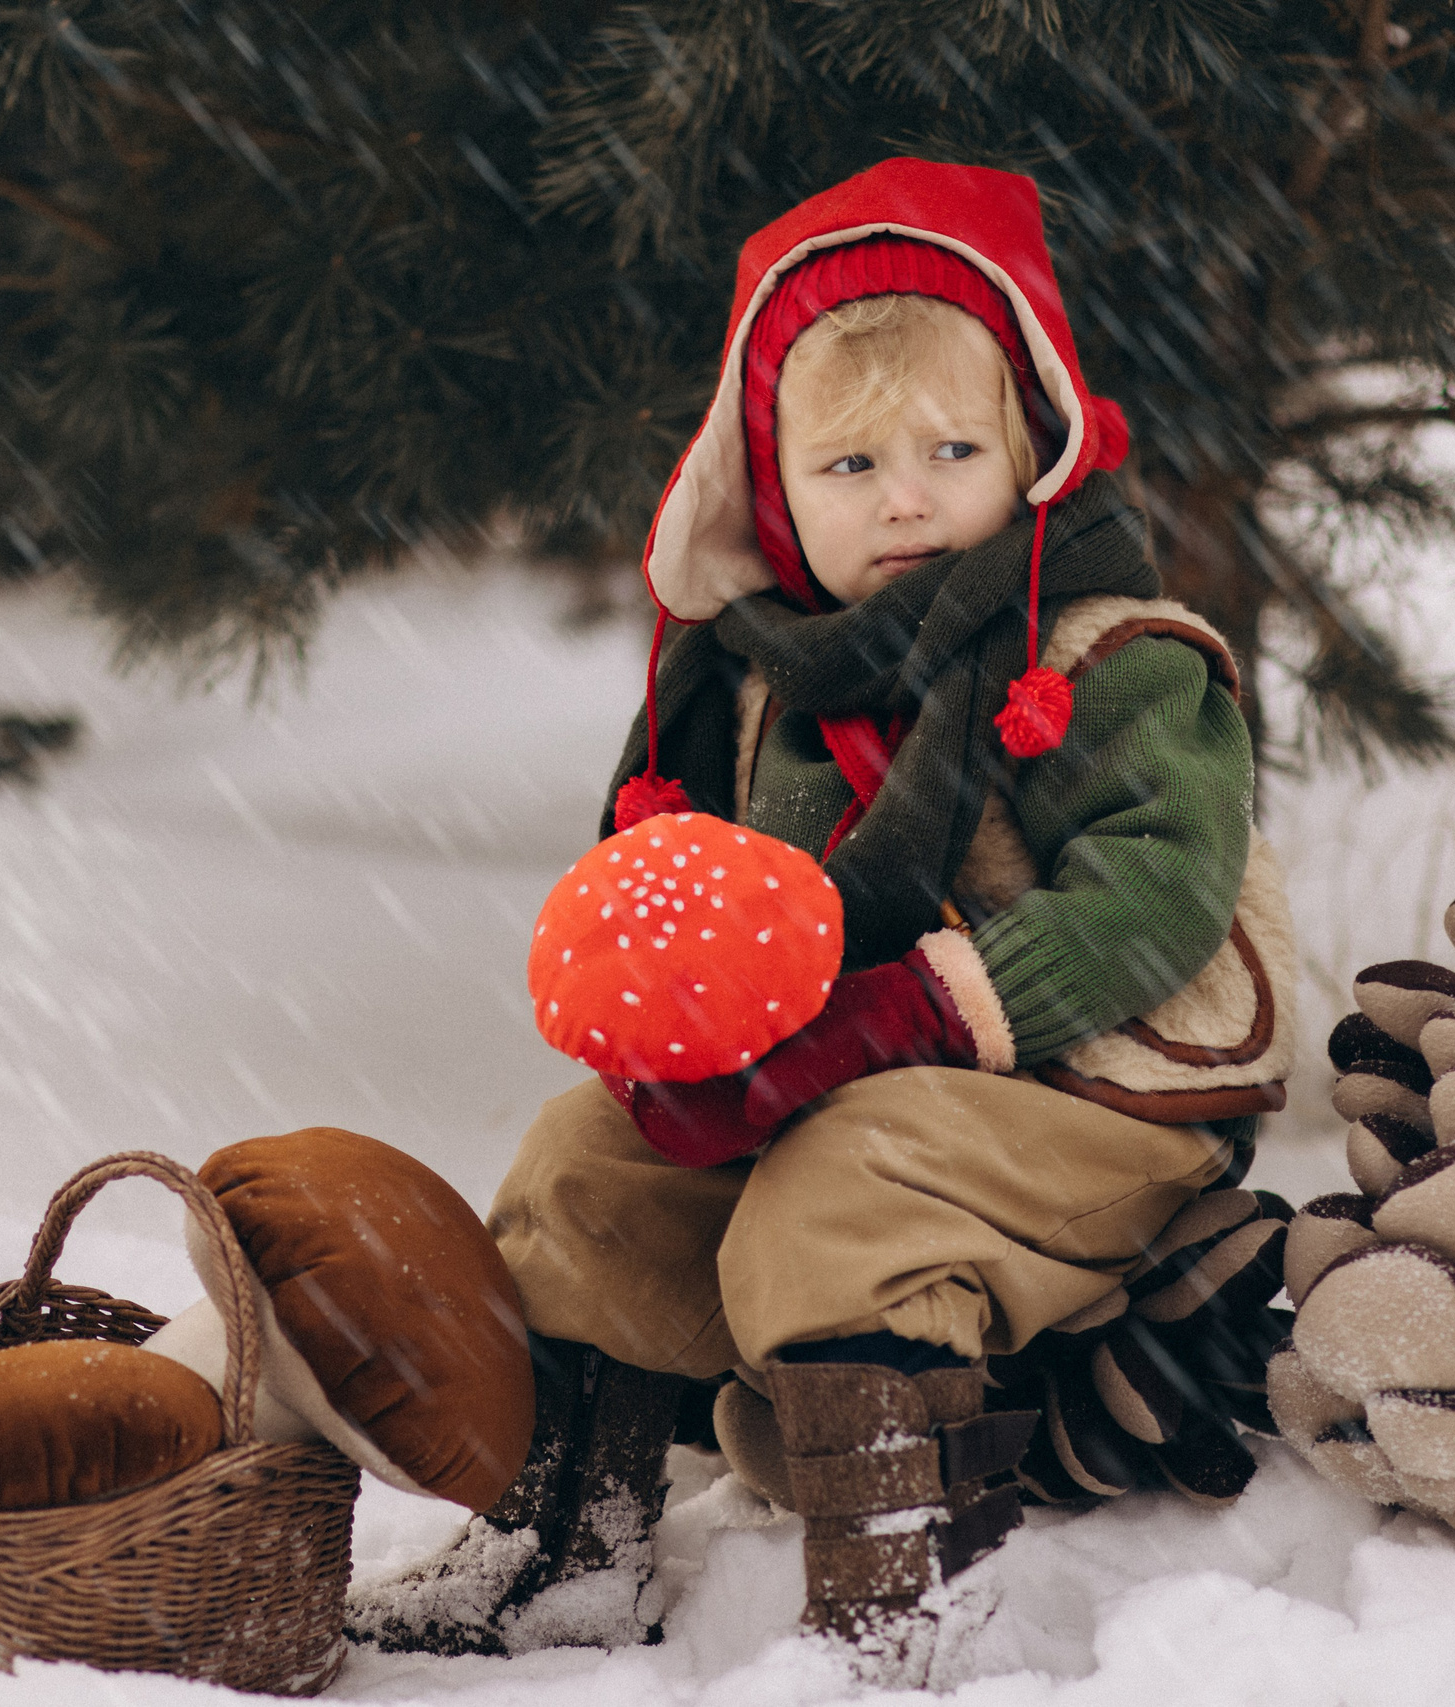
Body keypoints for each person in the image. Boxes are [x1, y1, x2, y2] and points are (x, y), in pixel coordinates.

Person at [350, 157, 1297, 1682]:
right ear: (770, 491)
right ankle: (566, 1549)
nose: (908, 493)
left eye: (949, 446)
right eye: (851, 467)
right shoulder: (756, 686)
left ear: (1032, 446)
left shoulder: (1113, 654)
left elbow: (1158, 894)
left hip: (1088, 1102)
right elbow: (706, 902)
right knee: (583, 1167)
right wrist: (687, 1026)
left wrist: (918, 1008)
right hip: (838, 1086)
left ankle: (898, 1592)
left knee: (842, 1194)